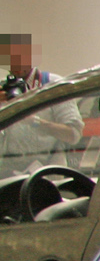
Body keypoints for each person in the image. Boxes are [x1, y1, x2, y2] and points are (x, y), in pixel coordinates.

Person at [2, 34, 84, 176]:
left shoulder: (53, 85)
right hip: (7, 175)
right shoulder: (4, 89)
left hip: (47, 174)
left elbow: (73, 134)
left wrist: (35, 122)